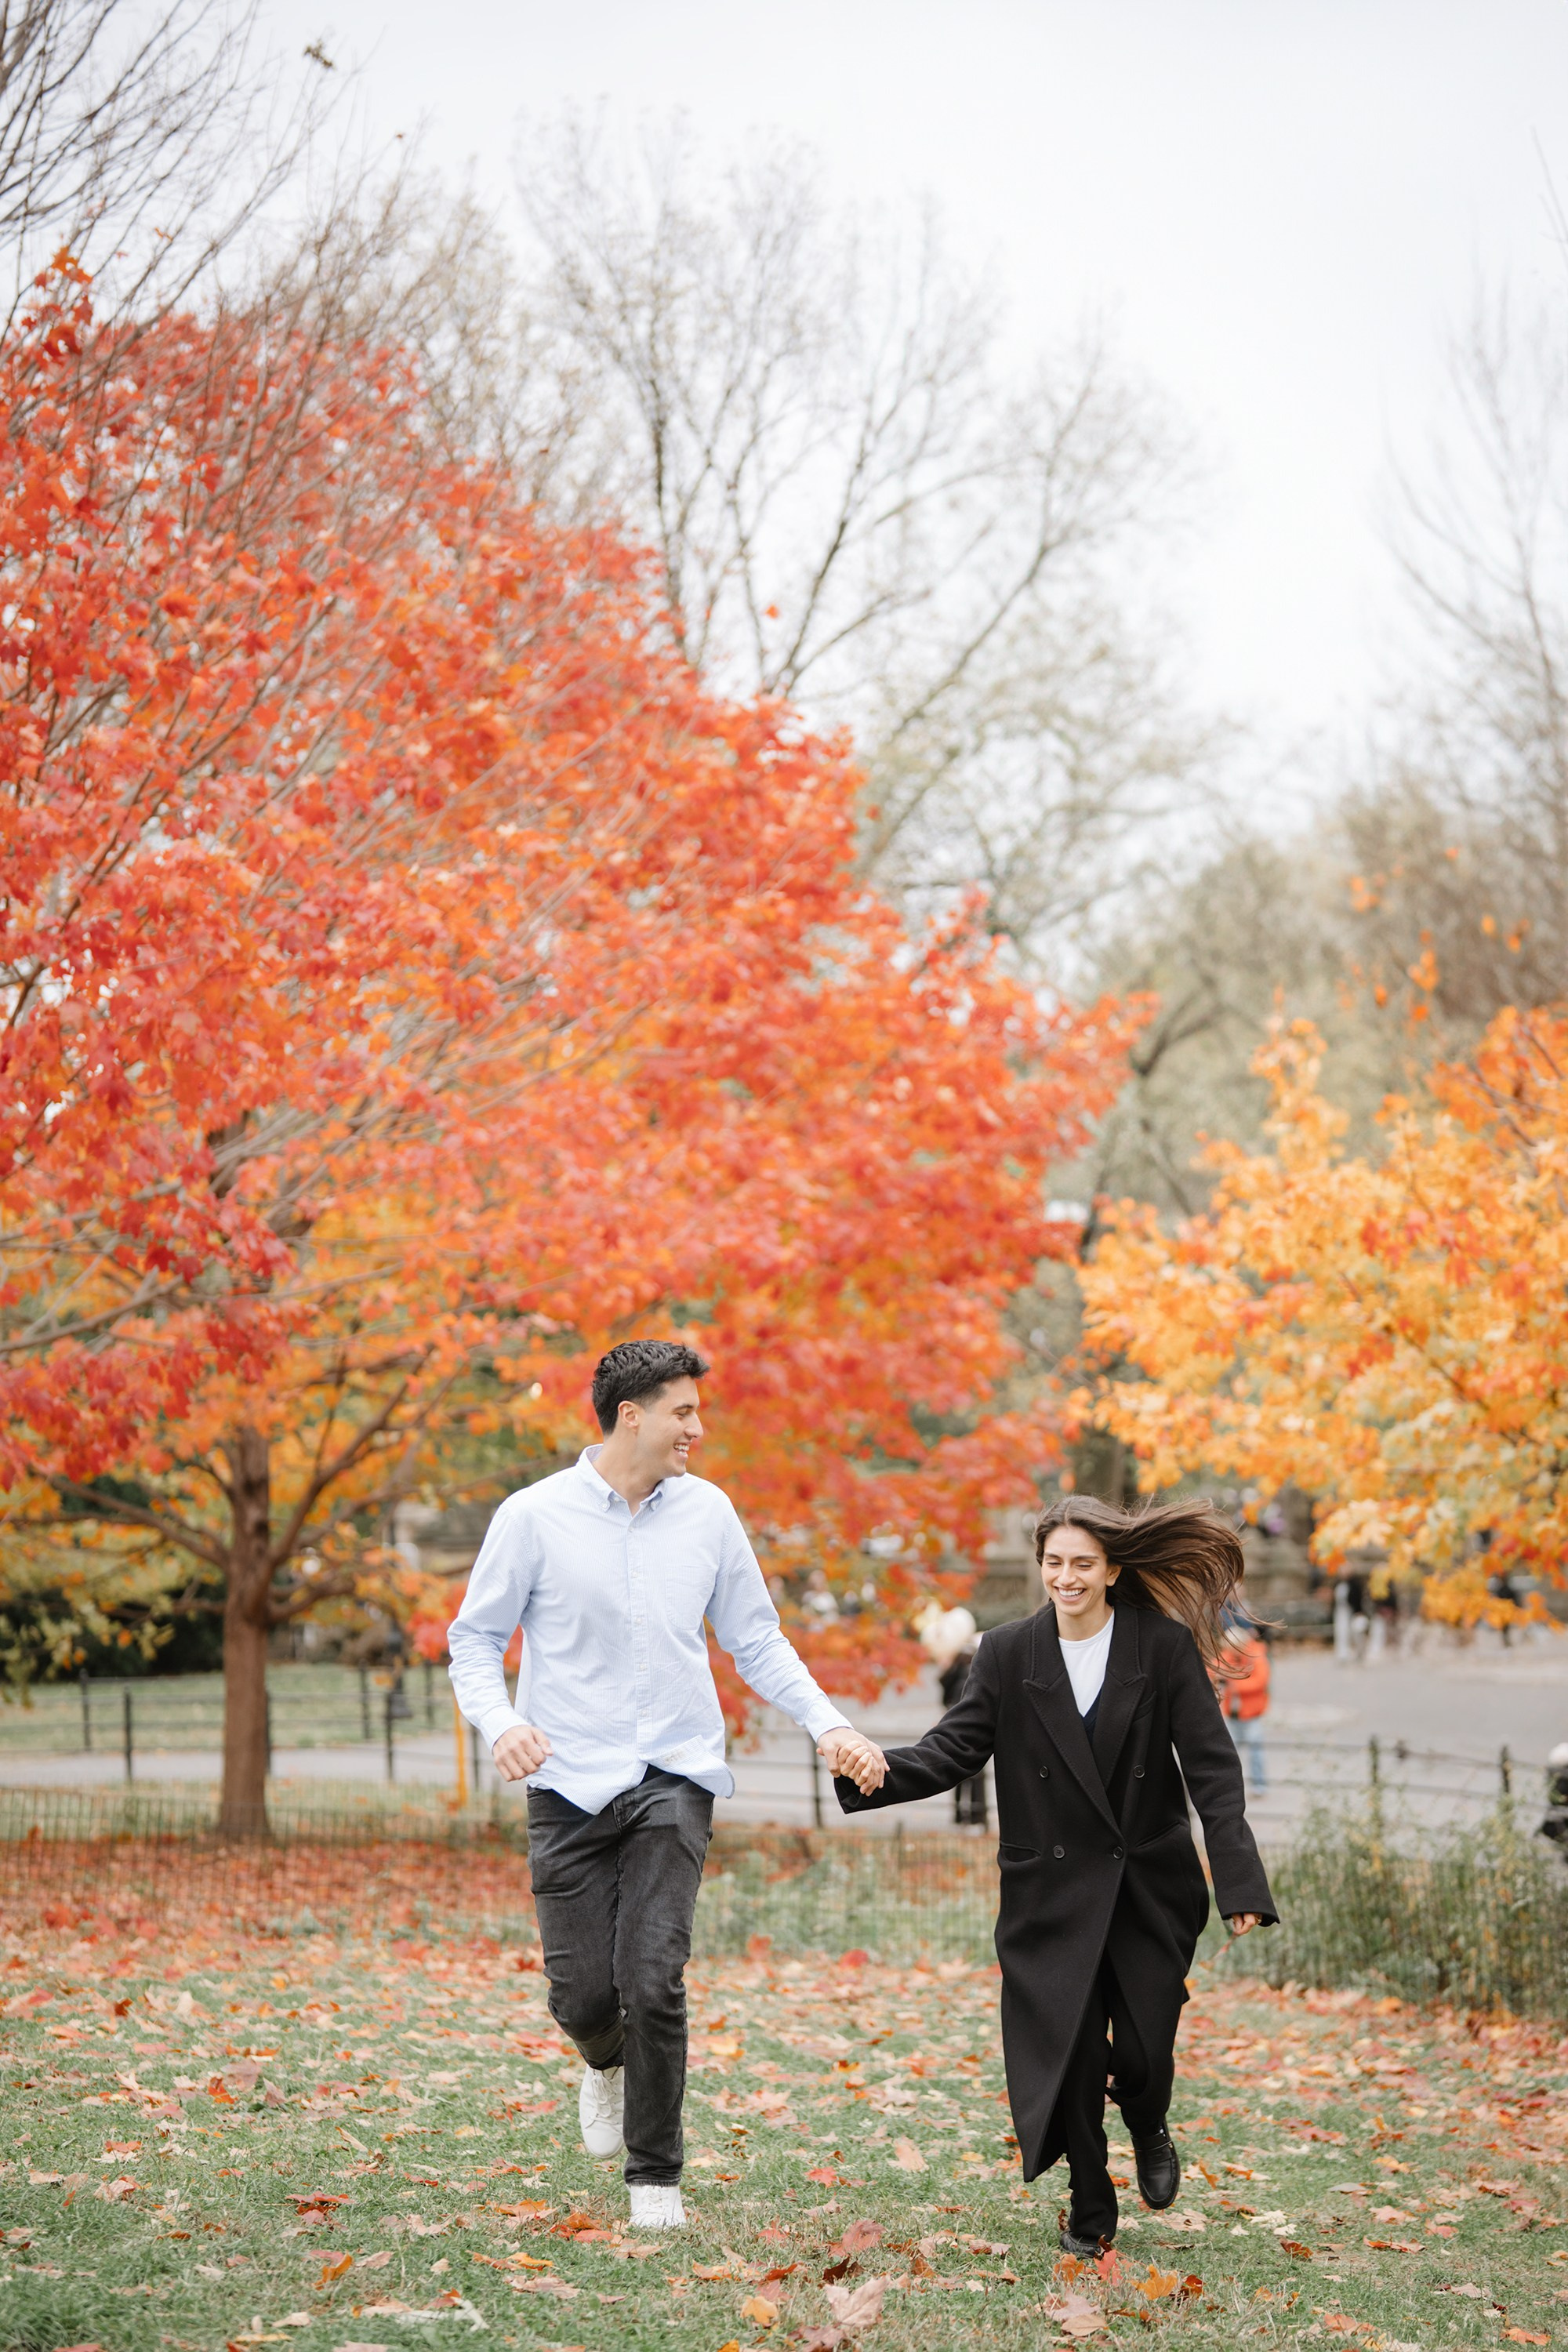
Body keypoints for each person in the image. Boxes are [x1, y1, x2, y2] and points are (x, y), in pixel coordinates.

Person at [448, 1340, 886, 2231]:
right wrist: (502, 1724)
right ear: (631, 1414)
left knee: (654, 1979)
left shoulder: (709, 1514)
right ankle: (601, 2062)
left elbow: (754, 1638)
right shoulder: (532, 1517)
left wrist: (828, 1722)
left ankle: (655, 2179)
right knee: (580, 1997)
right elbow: (473, 1639)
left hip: (674, 1774)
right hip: (565, 1778)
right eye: (682, 1411)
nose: (698, 1426)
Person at [833, 1493, 1276, 2256]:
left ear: (1109, 1570)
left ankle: (1145, 2118)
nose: (1064, 1577)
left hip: (1147, 1885)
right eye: (1053, 1563)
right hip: (1049, 1891)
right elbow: (952, 1750)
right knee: (1069, 2053)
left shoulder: (1160, 1648)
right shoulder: (1006, 1653)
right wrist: (873, 1769)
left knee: (1141, 2051)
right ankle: (1089, 2203)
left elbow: (1211, 1769)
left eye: (1080, 1563)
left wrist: (1237, 1879)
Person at [917, 1602, 989, 1827]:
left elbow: (955, 1698)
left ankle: (968, 1816)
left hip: (966, 1726)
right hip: (968, 1726)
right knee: (971, 1774)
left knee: (965, 1773)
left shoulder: (962, 1669)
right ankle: (972, 1816)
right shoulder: (965, 1666)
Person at [1213, 1613, 1270, 1793]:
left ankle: (1259, 1784)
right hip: (1232, 1712)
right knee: (1230, 1753)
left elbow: (1260, 1682)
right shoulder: (1228, 1656)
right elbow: (1213, 1668)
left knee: (1256, 1751)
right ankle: (1231, 1786)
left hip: (1252, 1713)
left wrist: (1232, 1683)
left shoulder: (1257, 1656)